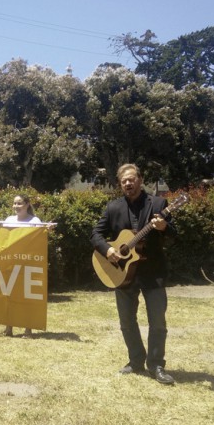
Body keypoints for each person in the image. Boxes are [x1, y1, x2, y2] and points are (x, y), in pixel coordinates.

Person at [90, 164, 176, 385]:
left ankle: (156, 365)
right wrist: (108, 250)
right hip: (123, 273)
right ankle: (136, 360)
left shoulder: (158, 204)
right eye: (123, 181)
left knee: (157, 321)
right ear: (120, 184)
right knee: (127, 321)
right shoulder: (113, 208)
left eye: (131, 179)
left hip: (153, 273)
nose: (128, 184)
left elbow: (174, 236)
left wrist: (164, 226)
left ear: (140, 179)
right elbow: (96, 234)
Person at [2, 194, 41, 336]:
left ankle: (28, 329)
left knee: (26, 297)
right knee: (9, 296)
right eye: (14, 203)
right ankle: (8, 328)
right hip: (10, 263)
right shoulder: (8, 220)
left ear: (27, 205)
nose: (16, 206)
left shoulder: (35, 220)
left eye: (19, 203)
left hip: (28, 264)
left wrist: (45, 231)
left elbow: (38, 240)